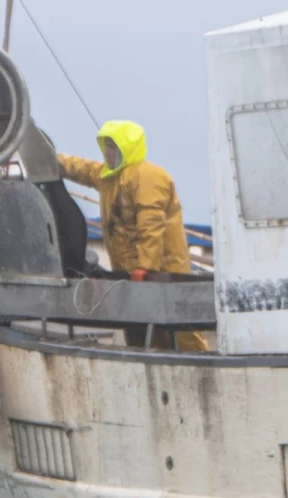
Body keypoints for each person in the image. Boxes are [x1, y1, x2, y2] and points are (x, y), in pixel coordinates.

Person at [58, 120, 208, 351]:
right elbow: (83, 169)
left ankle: (200, 367)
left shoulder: (147, 176)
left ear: (126, 147)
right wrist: (53, 160)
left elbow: (151, 224)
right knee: (140, 330)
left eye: (112, 146)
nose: (107, 151)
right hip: (131, 274)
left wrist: (145, 267)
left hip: (165, 274)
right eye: (106, 146)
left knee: (181, 329)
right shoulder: (108, 176)